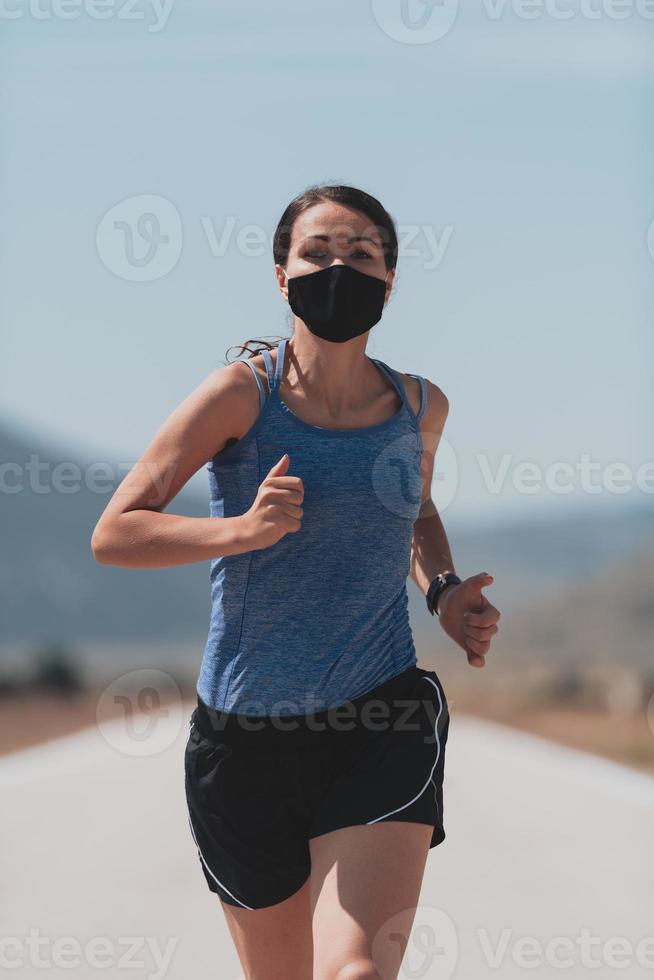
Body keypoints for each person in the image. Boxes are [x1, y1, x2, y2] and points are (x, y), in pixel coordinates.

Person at [91, 183, 501, 980]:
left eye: (362, 254)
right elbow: (118, 531)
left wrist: (444, 591)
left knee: (357, 972)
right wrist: (241, 532)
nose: (338, 267)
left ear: (389, 282)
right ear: (281, 276)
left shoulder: (419, 405)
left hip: (382, 712)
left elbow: (415, 513)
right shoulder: (242, 394)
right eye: (318, 252)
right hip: (246, 737)